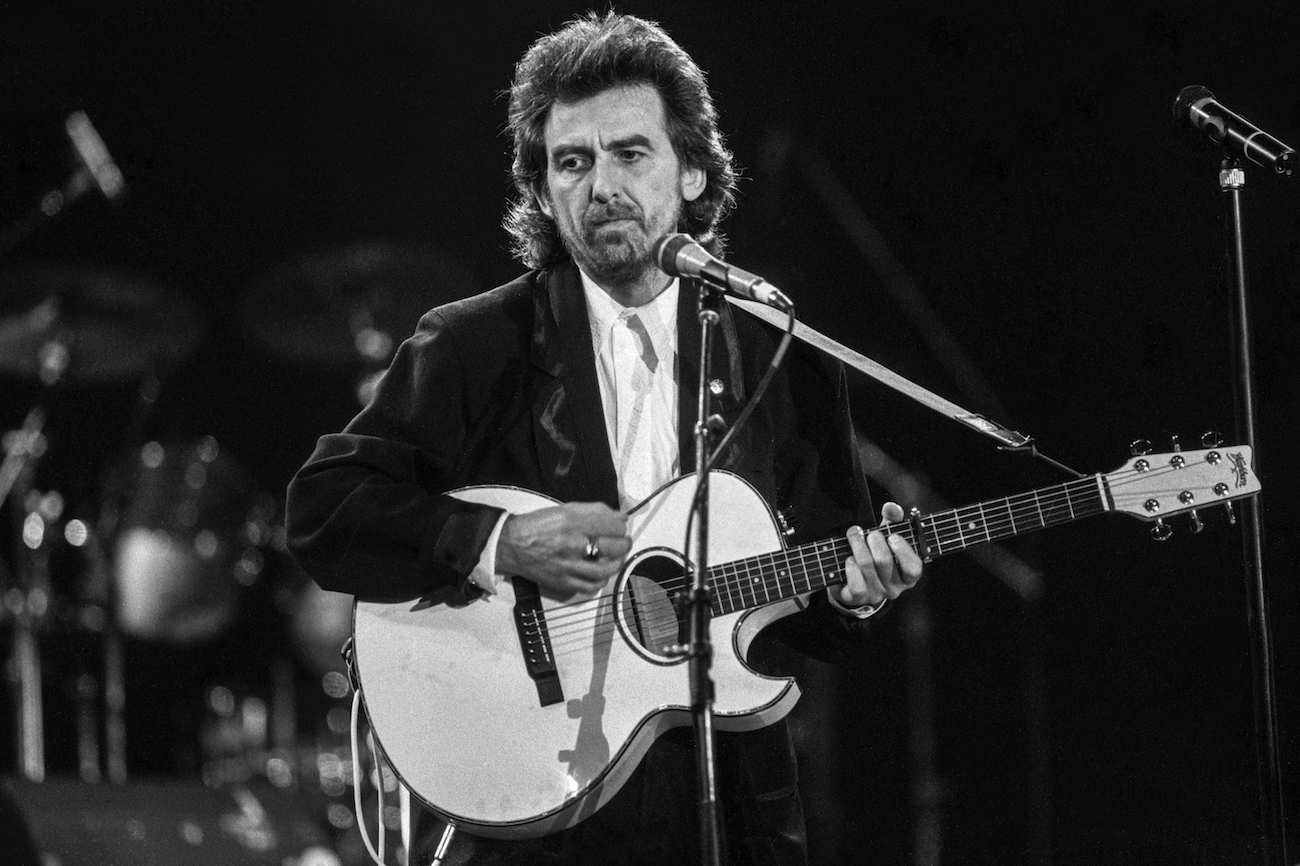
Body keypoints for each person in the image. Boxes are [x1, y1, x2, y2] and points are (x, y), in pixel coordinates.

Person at [285, 11, 922, 866]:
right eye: (572, 162)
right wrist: (500, 542)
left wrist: (857, 594)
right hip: (539, 808)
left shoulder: (781, 352)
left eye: (630, 153)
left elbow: (812, 604)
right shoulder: (476, 344)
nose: (601, 185)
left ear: (693, 171)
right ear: (543, 190)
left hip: (733, 804)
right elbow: (322, 508)